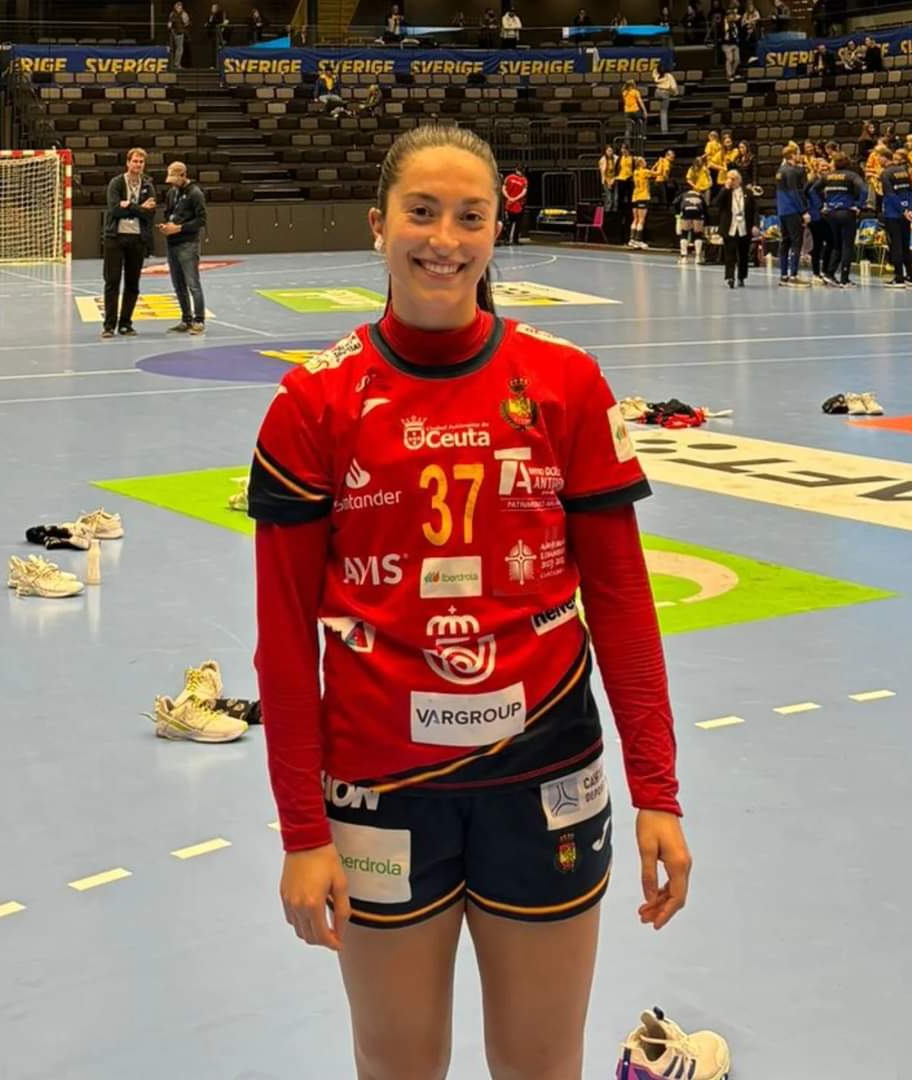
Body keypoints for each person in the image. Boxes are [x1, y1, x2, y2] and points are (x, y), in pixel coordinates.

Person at [247, 124, 690, 1080]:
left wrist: (657, 789)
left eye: (470, 216)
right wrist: (302, 831)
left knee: (541, 1064)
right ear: (378, 225)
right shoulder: (311, 404)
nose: (444, 239)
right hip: (381, 787)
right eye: (421, 212)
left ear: (497, 230)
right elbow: (282, 642)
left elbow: (622, 601)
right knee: (396, 1064)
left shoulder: (567, 383)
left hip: (546, 774)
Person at [101, 147, 156, 339]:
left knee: (133, 283)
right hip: (115, 238)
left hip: (137, 239)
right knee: (112, 281)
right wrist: (140, 208)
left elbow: (150, 213)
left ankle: (125, 323)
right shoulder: (116, 183)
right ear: (128, 162)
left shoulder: (147, 185)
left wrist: (130, 206)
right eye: (135, 161)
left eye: (141, 162)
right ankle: (109, 325)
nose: (138, 165)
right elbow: (115, 210)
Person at [160, 161, 207, 334]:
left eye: (175, 179)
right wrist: (167, 225)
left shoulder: (195, 193)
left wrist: (179, 228)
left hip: (188, 244)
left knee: (193, 284)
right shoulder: (171, 193)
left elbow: (201, 220)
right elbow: (168, 213)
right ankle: (186, 319)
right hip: (172, 243)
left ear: (183, 176)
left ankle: (199, 320)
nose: (172, 183)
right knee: (178, 284)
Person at [810, 152, 867, 288]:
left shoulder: (827, 176)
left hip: (831, 213)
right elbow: (864, 190)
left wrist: (821, 205)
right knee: (847, 246)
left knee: (836, 245)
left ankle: (829, 273)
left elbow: (812, 190)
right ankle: (844, 279)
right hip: (847, 212)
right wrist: (858, 205)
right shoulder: (852, 176)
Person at [880, 147, 912, 288]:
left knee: (895, 245)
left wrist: (902, 210)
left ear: (885, 158)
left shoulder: (885, 174)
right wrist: (909, 209)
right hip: (907, 214)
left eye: (879, 157)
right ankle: (910, 276)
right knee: (905, 245)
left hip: (893, 214)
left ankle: (899, 278)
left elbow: (890, 194)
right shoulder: (904, 171)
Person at [776, 143, 810, 286]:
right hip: (792, 210)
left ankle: (783, 275)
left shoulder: (780, 170)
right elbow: (794, 193)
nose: (799, 156)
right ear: (792, 155)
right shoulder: (790, 172)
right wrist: (804, 211)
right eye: (797, 153)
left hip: (782, 211)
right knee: (796, 243)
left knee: (785, 242)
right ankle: (793, 276)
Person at [718, 168, 757, 287]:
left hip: (744, 226)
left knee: (743, 254)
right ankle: (730, 277)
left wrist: (755, 225)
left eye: (733, 179)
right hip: (730, 227)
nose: (731, 181)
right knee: (729, 253)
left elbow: (755, 210)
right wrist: (725, 188)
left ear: (739, 180)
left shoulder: (748, 193)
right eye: (729, 178)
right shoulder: (725, 192)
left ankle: (741, 276)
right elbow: (717, 203)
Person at [806, 157, 833, 284]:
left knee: (830, 243)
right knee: (817, 245)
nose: (825, 168)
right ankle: (816, 273)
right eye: (822, 166)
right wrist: (817, 207)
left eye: (826, 166)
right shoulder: (812, 181)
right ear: (816, 168)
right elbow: (805, 194)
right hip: (816, 217)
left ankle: (825, 270)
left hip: (828, 216)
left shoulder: (831, 180)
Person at [674, 179, 707, 263]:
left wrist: (678, 213)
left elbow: (675, 202)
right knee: (698, 234)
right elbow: (705, 207)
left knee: (684, 233)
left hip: (687, 212)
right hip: (698, 212)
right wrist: (704, 217)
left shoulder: (684, 194)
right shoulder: (700, 195)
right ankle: (698, 257)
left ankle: (684, 257)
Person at [627, 156, 652, 248]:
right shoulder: (645, 171)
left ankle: (632, 240)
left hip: (635, 197)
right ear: (641, 163)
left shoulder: (635, 172)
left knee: (635, 219)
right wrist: (660, 164)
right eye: (644, 161)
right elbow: (658, 173)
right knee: (641, 220)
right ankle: (638, 240)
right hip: (643, 197)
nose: (646, 162)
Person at [502, 165, 527, 245]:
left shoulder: (509, 177)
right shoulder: (522, 180)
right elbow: (523, 192)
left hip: (513, 203)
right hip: (514, 204)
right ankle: (511, 240)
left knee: (512, 223)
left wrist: (510, 198)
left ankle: (510, 240)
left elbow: (503, 189)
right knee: (514, 223)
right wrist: (513, 198)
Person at [653, 66, 678, 134]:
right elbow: (674, 87)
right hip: (665, 93)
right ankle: (664, 130)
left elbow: (655, 71)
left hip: (657, 93)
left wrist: (657, 69)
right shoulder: (669, 76)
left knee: (661, 106)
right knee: (664, 111)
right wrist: (675, 93)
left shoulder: (656, 76)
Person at [621, 80, 646, 148]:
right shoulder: (635, 92)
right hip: (635, 110)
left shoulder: (624, 92)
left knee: (628, 128)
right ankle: (641, 135)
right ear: (632, 85)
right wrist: (644, 110)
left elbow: (625, 102)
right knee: (642, 120)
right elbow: (640, 101)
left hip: (627, 111)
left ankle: (627, 144)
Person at [167, 1, 190, 70]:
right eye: (178, 7)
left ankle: (176, 64)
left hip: (180, 33)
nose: (179, 9)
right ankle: (174, 64)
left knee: (179, 49)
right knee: (175, 49)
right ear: (175, 7)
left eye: (180, 7)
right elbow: (169, 24)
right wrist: (171, 28)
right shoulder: (173, 14)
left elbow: (187, 22)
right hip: (175, 33)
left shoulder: (183, 14)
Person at [599, 144, 619, 212]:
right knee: (609, 199)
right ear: (605, 151)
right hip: (606, 180)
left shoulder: (616, 158)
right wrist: (608, 182)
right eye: (608, 151)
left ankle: (615, 213)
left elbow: (618, 171)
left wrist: (613, 180)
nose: (610, 152)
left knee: (616, 198)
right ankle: (607, 213)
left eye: (611, 151)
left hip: (615, 179)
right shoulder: (602, 160)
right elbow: (603, 173)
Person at [721, 11, 740, 79]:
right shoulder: (723, 24)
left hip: (735, 44)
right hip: (726, 44)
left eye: (732, 16)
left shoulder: (735, 24)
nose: (731, 18)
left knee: (737, 60)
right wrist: (726, 22)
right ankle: (729, 75)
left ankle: (732, 73)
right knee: (730, 59)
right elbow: (724, 32)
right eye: (730, 16)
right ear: (727, 17)